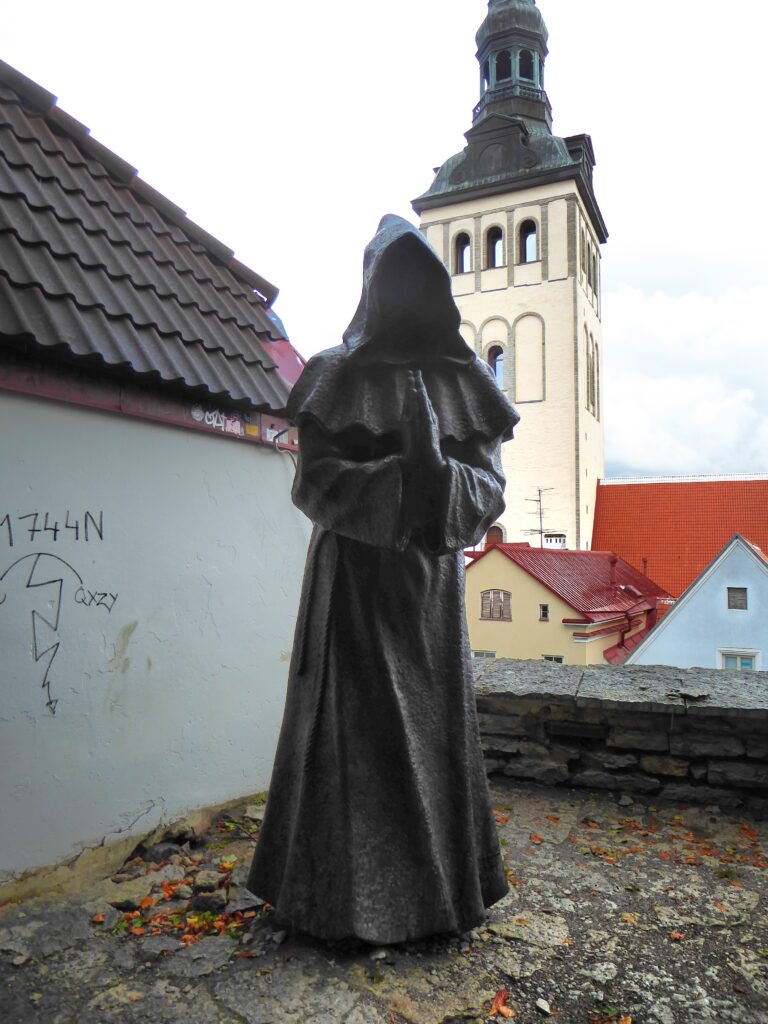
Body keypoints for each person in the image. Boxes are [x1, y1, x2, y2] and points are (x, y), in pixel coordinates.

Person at [247, 214, 519, 944]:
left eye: (416, 278)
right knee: (347, 745)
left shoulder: (465, 383)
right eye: (391, 278)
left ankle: (438, 895)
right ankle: (335, 901)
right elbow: (318, 484)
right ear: (371, 288)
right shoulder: (335, 374)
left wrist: (440, 477)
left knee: (433, 745)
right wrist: (405, 475)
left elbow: (490, 490)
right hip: (351, 597)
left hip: (429, 598)